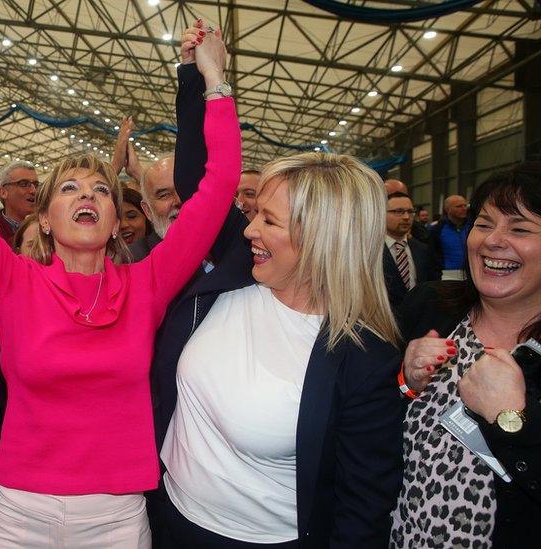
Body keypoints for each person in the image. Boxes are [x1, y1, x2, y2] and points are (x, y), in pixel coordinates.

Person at [0, 3, 240, 544]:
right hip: (17, 516)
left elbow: (218, 187)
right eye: (71, 189)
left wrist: (214, 81)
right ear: (47, 220)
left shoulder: (147, 284)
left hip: (118, 519)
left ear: (114, 217)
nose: (89, 196)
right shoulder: (12, 282)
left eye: (101, 189)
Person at [150, 23, 403, 548]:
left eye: (270, 220)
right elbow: (202, 179)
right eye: (253, 213)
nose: (248, 230)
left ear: (323, 238)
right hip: (168, 515)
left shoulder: (363, 354)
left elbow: (363, 504)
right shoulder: (240, 273)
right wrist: (205, 77)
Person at [393, 163, 541, 548]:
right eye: (484, 223)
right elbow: (370, 431)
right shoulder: (430, 307)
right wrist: (405, 382)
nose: (493, 240)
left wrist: (510, 419)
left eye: (520, 229)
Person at [383, 192, 440, 307]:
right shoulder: (370, 253)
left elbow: (434, 284)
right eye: (399, 211)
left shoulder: (423, 249)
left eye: (410, 211)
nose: (406, 217)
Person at [0, 160, 38, 246]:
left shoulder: (49, 231)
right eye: (24, 184)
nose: (33, 190)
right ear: (3, 192)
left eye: (35, 185)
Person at [429, 194, 471, 280]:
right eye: (459, 206)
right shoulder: (437, 230)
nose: (464, 208)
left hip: (470, 273)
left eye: (465, 205)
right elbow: (433, 255)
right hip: (446, 275)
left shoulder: (472, 227)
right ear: (447, 209)